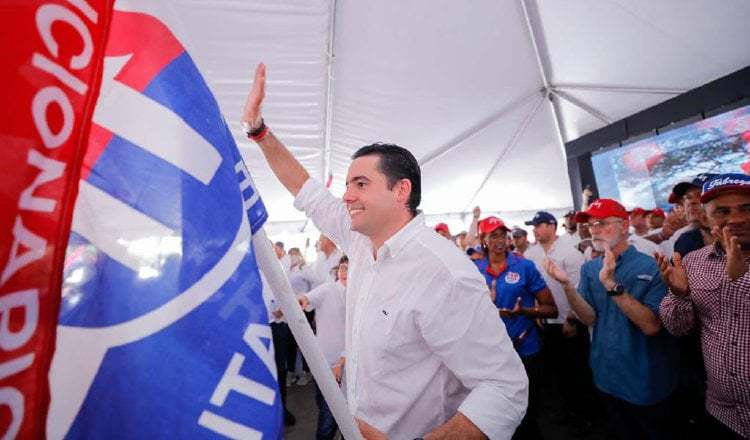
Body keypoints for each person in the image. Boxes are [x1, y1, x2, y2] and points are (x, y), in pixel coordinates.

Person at [242, 63, 528, 439]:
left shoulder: (443, 273)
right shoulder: (360, 241)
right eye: (347, 184)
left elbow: (505, 388)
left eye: (361, 183)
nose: (346, 195)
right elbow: (305, 189)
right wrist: (259, 132)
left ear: (401, 191)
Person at [544, 199, 680, 440]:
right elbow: (589, 318)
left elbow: (651, 326)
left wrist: (610, 284)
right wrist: (566, 286)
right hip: (606, 375)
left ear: (624, 225)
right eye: (591, 224)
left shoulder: (651, 266)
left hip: (646, 379)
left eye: (601, 223)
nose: (594, 229)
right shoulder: (589, 269)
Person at [657, 173, 750, 439]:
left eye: (746, 208)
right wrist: (679, 295)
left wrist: (742, 279)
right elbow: (678, 329)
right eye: (722, 211)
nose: (736, 219)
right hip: (722, 414)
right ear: (706, 218)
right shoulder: (693, 262)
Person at [474, 216, 557, 440]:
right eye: (493, 235)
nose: (500, 240)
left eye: (503, 234)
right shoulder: (474, 269)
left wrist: (524, 312)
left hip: (525, 351)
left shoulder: (524, 266)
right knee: (499, 413)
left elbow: (551, 309)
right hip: (491, 355)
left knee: (528, 413)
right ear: (483, 239)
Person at [523, 211, 593, 430]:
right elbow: (530, 286)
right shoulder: (531, 253)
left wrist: (571, 317)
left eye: (538, 225)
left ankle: (586, 415)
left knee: (577, 368)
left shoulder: (569, 251)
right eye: (533, 226)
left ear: (552, 226)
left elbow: (580, 285)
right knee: (557, 371)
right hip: (546, 322)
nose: (534, 229)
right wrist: (536, 312)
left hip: (570, 320)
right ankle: (567, 412)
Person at [299, 256, 350, 440]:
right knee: (325, 410)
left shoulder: (360, 296)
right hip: (325, 364)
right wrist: (301, 301)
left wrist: (343, 361)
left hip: (348, 366)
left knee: (332, 422)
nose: (345, 272)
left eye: (350, 269)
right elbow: (305, 299)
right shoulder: (328, 289)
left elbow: (356, 334)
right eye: (343, 268)